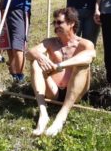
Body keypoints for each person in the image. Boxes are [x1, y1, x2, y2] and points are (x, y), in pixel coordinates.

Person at [26, 7, 95, 137]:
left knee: (82, 64)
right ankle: (43, 113)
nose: (56, 26)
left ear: (72, 23)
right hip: (53, 91)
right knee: (35, 61)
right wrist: (39, 55)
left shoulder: (84, 43)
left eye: (59, 22)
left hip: (75, 92)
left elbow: (90, 55)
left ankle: (61, 116)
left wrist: (60, 65)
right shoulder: (50, 42)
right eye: (54, 23)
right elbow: (29, 53)